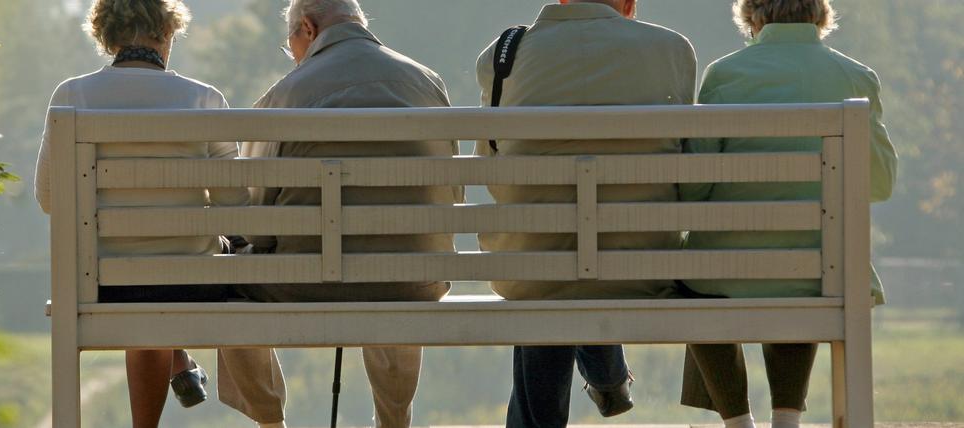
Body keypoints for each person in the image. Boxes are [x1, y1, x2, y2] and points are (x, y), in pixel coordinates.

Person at [215, 0, 461, 427]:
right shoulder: (427, 82)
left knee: (221, 278)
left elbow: (256, 223)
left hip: (306, 283)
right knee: (400, 258)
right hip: (416, 281)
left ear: (307, 29)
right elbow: (450, 195)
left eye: (290, 43)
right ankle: (393, 420)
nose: (292, 54)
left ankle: (270, 421)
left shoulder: (287, 94)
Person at [473, 1, 697, 426]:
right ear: (630, 5)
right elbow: (683, 161)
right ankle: (608, 378)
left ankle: (604, 379)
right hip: (643, 265)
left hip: (533, 264)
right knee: (579, 255)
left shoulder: (502, 55)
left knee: (548, 266)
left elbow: (490, 163)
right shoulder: (672, 49)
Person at [677, 1, 898, 427]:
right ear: (820, 15)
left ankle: (737, 422)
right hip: (819, 271)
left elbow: (693, 188)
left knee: (693, 275)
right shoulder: (856, 78)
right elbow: (880, 184)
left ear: (754, 18)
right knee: (810, 267)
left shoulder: (724, 74)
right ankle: (787, 419)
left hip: (725, 271)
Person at [34, 1, 249, 427]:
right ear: (166, 32)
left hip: (103, 283)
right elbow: (235, 208)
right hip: (188, 282)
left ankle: (177, 367)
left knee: (140, 277)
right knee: (181, 268)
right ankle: (179, 364)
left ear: (107, 36)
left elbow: (49, 198)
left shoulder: (72, 95)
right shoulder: (203, 97)